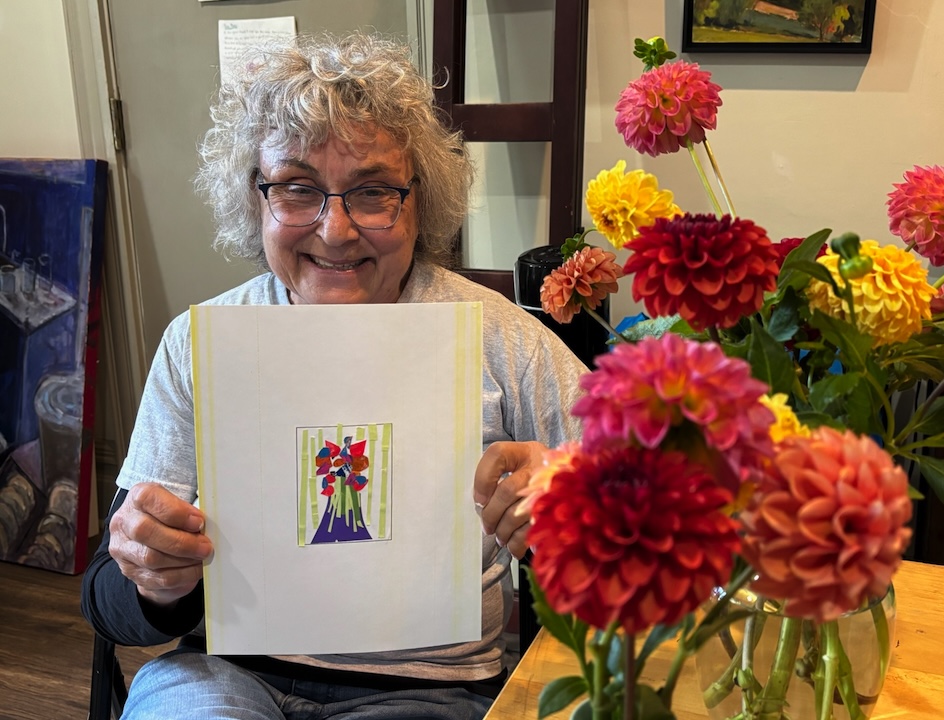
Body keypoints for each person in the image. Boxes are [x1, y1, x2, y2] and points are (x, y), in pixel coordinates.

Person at [81, 32, 587, 720]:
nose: (336, 230)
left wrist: (573, 495)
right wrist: (153, 580)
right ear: (255, 199)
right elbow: (109, 607)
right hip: (223, 672)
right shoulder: (200, 344)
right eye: (297, 189)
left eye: (372, 192)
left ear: (420, 200)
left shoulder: (496, 336)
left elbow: (654, 488)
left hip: (429, 690)